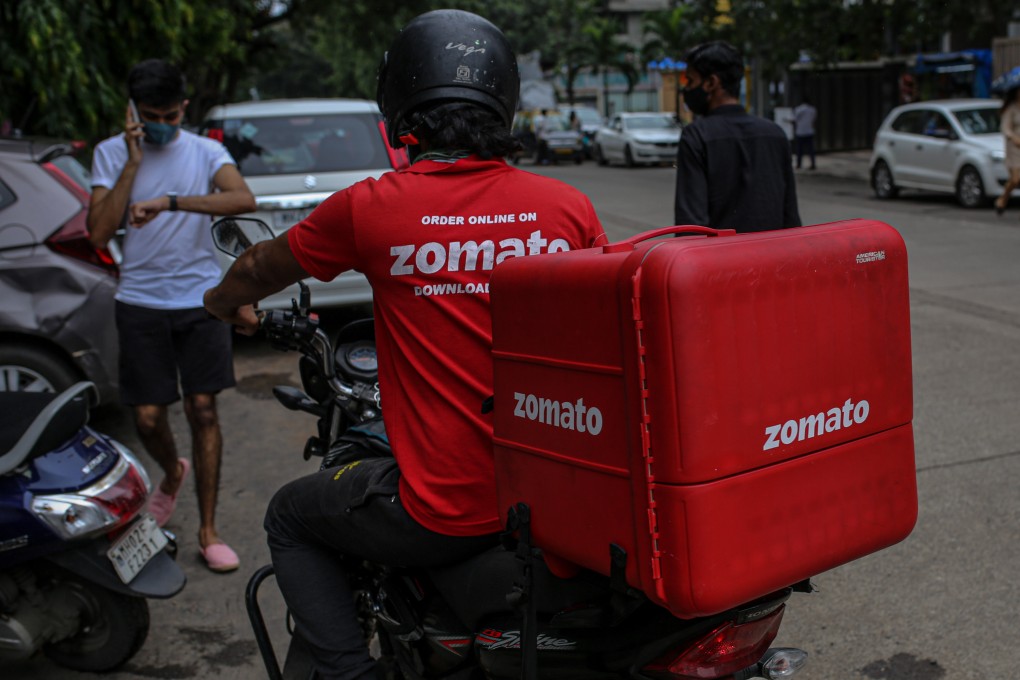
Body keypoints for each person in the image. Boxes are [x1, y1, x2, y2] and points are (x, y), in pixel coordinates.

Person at [203, 10, 605, 679]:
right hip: (550, 505)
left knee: (289, 516)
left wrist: (222, 305)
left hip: (445, 512)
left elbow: (258, 267)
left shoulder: (372, 207)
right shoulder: (567, 207)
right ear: (503, 105)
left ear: (400, 113)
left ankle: (350, 672)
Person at [87, 59, 256, 573]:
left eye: (171, 115)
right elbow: (99, 232)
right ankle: (172, 472)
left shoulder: (206, 151)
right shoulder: (110, 153)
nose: (162, 124)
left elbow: (242, 198)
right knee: (147, 417)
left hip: (199, 301)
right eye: (151, 116)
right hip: (140, 302)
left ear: (183, 108)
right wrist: (133, 165)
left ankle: (208, 530)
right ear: (133, 112)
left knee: (203, 409)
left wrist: (170, 202)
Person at [674, 41, 800, 232]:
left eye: (690, 81)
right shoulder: (775, 133)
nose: (687, 89)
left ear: (711, 83)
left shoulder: (697, 136)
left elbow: (691, 227)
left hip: (722, 253)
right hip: (774, 251)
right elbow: (791, 219)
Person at [995, 86, 1020, 217]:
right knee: (1015, 179)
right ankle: (1003, 198)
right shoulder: (1011, 109)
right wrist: (1014, 138)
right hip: (1014, 148)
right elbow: (1005, 128)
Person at [792, 97, 818, 170]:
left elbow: (794, 119)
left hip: (801, 131)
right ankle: (813, 164)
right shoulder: (813, 109)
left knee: (799, 149)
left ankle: (799, 164)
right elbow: (813, 119)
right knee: (811, 149)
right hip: (809, 131)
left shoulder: (799, 109)